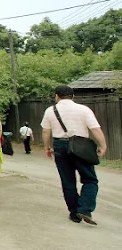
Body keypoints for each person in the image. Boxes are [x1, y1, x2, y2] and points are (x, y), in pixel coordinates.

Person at [41, 85, 108, 225]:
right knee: (90, 179)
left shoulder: (50, 111)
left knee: (68, 181)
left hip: (60, 146)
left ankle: (74, 213)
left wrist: (47, 147)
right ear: (73, 96)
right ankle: (84, 209)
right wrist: (103, 145)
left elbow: (46, 131)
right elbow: (95, 129)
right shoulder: (83, 110)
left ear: (56, 96)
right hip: (81, 146)